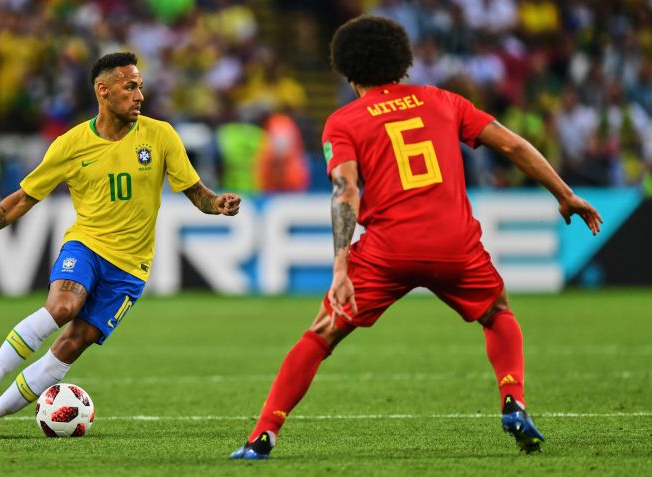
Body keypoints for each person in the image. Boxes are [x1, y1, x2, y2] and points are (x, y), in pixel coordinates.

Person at [230, 16, 602, 459]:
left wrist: (341, 267)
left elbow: (345, 190)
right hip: (455, 245)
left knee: (321, 334)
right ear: (402, 63)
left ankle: (263, 436)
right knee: (497, 312)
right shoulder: (444, 100)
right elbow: (513, 145)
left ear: (347, 72)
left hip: (389, 251)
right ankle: (513, 401)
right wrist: (565, 194)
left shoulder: (343, 121)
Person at [0, 52, 241, 437]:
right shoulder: (71, 144)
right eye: (130, 87)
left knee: (71, 345)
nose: (140, 96)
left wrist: (217, 203)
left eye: (140, 87)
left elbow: (196, 193)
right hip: (87, 245)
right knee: (63, 306)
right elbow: (21, 200)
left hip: (131, 268)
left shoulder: (161, 135)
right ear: (103, 90)